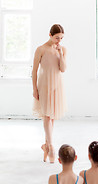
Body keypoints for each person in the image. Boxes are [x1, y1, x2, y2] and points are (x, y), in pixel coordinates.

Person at [32, 24, 66, 163]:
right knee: (46, 115)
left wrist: (61, 54)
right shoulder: (41, 49)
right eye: (57, 38)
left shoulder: (62, 49)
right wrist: (34, 88)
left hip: (57, 86)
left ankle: (46, 146)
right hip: (44, 85)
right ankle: (51, 148)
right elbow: (34, 71)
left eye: (61, 38)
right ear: (50, 35)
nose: (59, 41)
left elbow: (63, 69)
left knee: (52, 117)